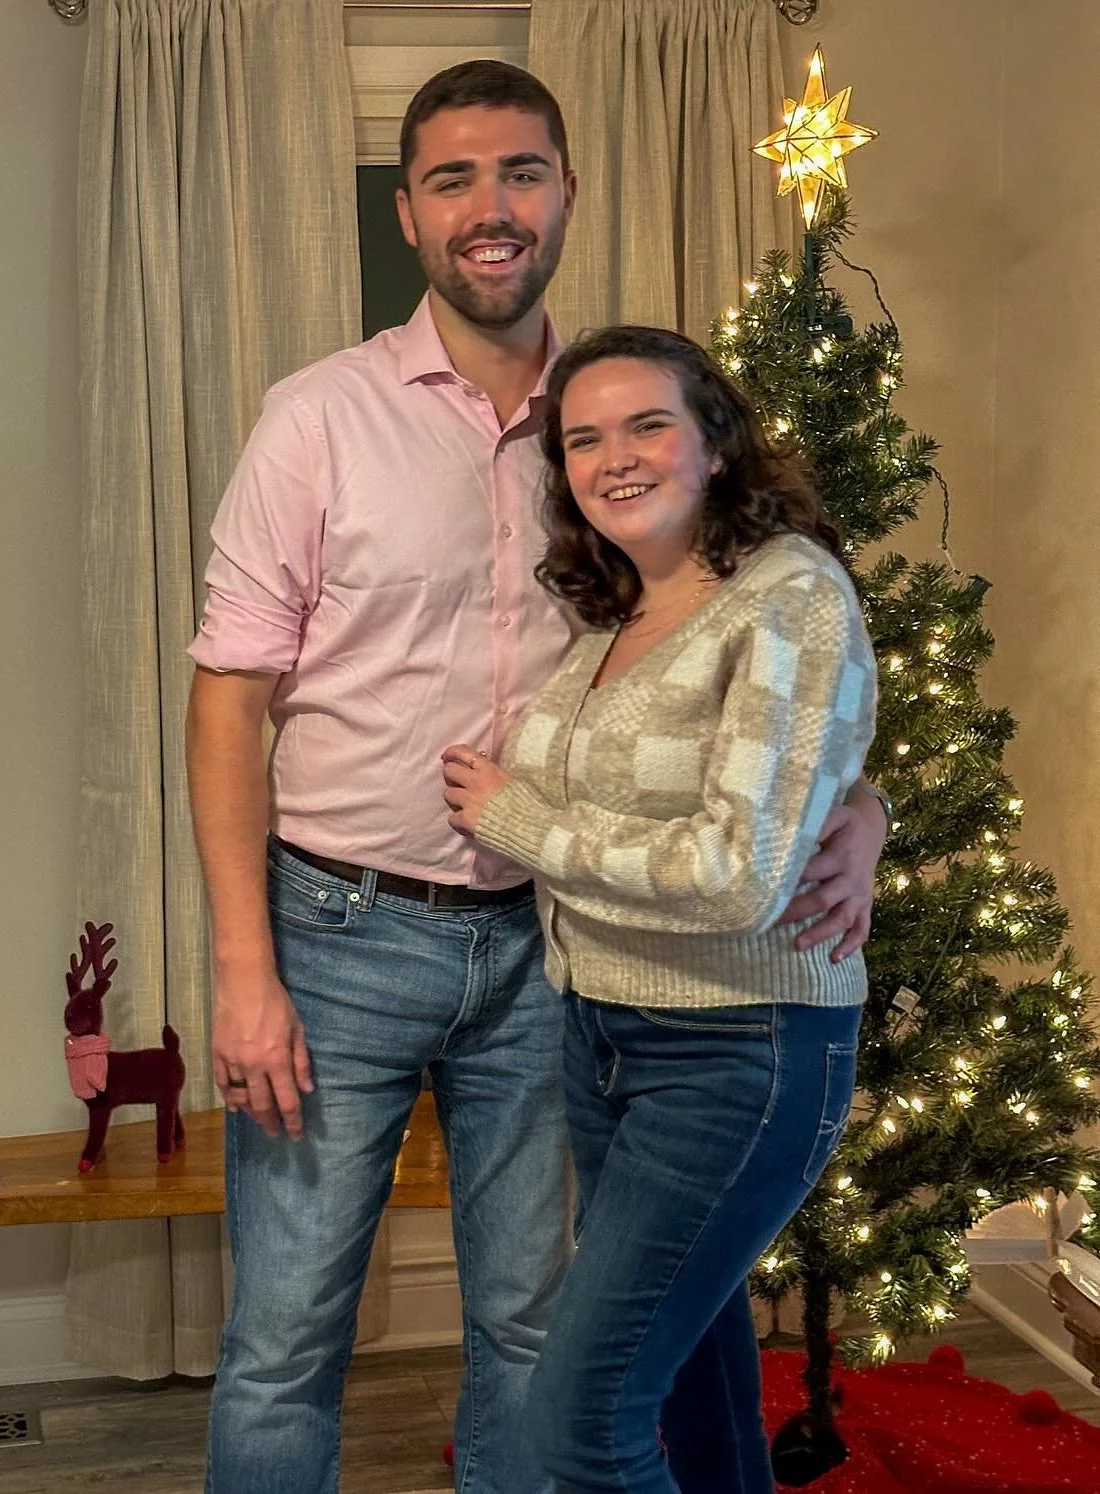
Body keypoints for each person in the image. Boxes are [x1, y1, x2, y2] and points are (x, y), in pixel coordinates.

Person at [185, 62, 885, 1494]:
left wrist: (859, 811)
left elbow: (754, 660)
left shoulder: (618, 424)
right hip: (341, 931)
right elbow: (228, 698)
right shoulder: (318, 419)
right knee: (285, 1337)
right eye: (452, 179)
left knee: (527, 1328)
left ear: (566, 192)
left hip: (555, 949)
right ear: (408, 213)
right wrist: (245, 970)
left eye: (519, 172)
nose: (489, 208)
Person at [441, 324, 879, 1494]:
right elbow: (790, 780)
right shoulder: (616, 610)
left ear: (716, 442)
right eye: (584, 440)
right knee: (691, 1391)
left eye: (647, 425)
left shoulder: (787, 595)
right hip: (605, 1033)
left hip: (740, 1044)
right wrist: (864, 804)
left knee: (581, 1420)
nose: (615, 458)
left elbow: (739, 874)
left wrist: (517, 822)